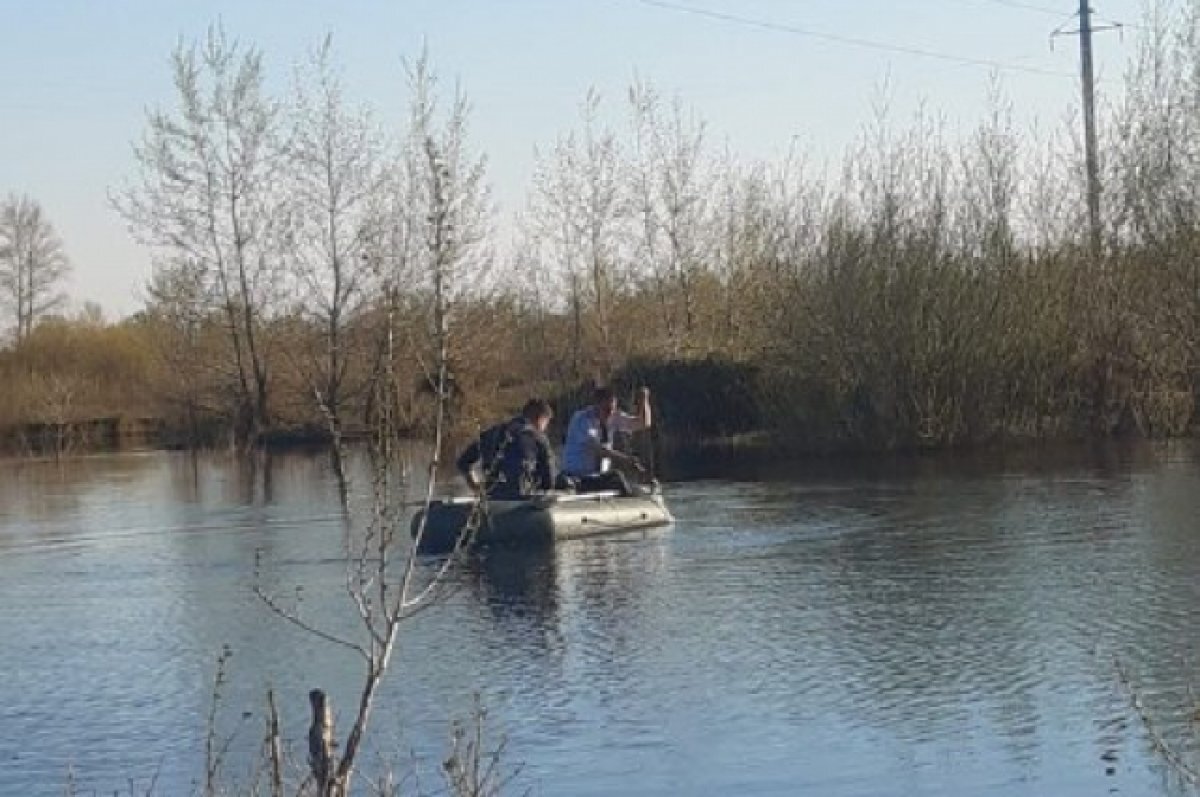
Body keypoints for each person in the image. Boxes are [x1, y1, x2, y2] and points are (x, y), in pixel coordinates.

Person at [456, 398, 556, 500]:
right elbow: (549, 482)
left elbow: (463, 462)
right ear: (540, 419)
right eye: (546, 424)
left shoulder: (493, 432)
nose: (544, 429)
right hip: (523, 504)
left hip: (491, 502)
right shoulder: (538, 437)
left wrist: (477, 488)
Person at [560, 385, 652, 494]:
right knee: (616, 476)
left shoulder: (614, 416)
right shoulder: (582, 419)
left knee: (619, 480)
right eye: (607, 409)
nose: (610, 413)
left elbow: (643, 423)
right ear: (596, 405)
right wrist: (626, 460)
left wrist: (644, 401)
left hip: (597, 477)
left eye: (613, 409)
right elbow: (599, 450)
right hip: (578, 477)